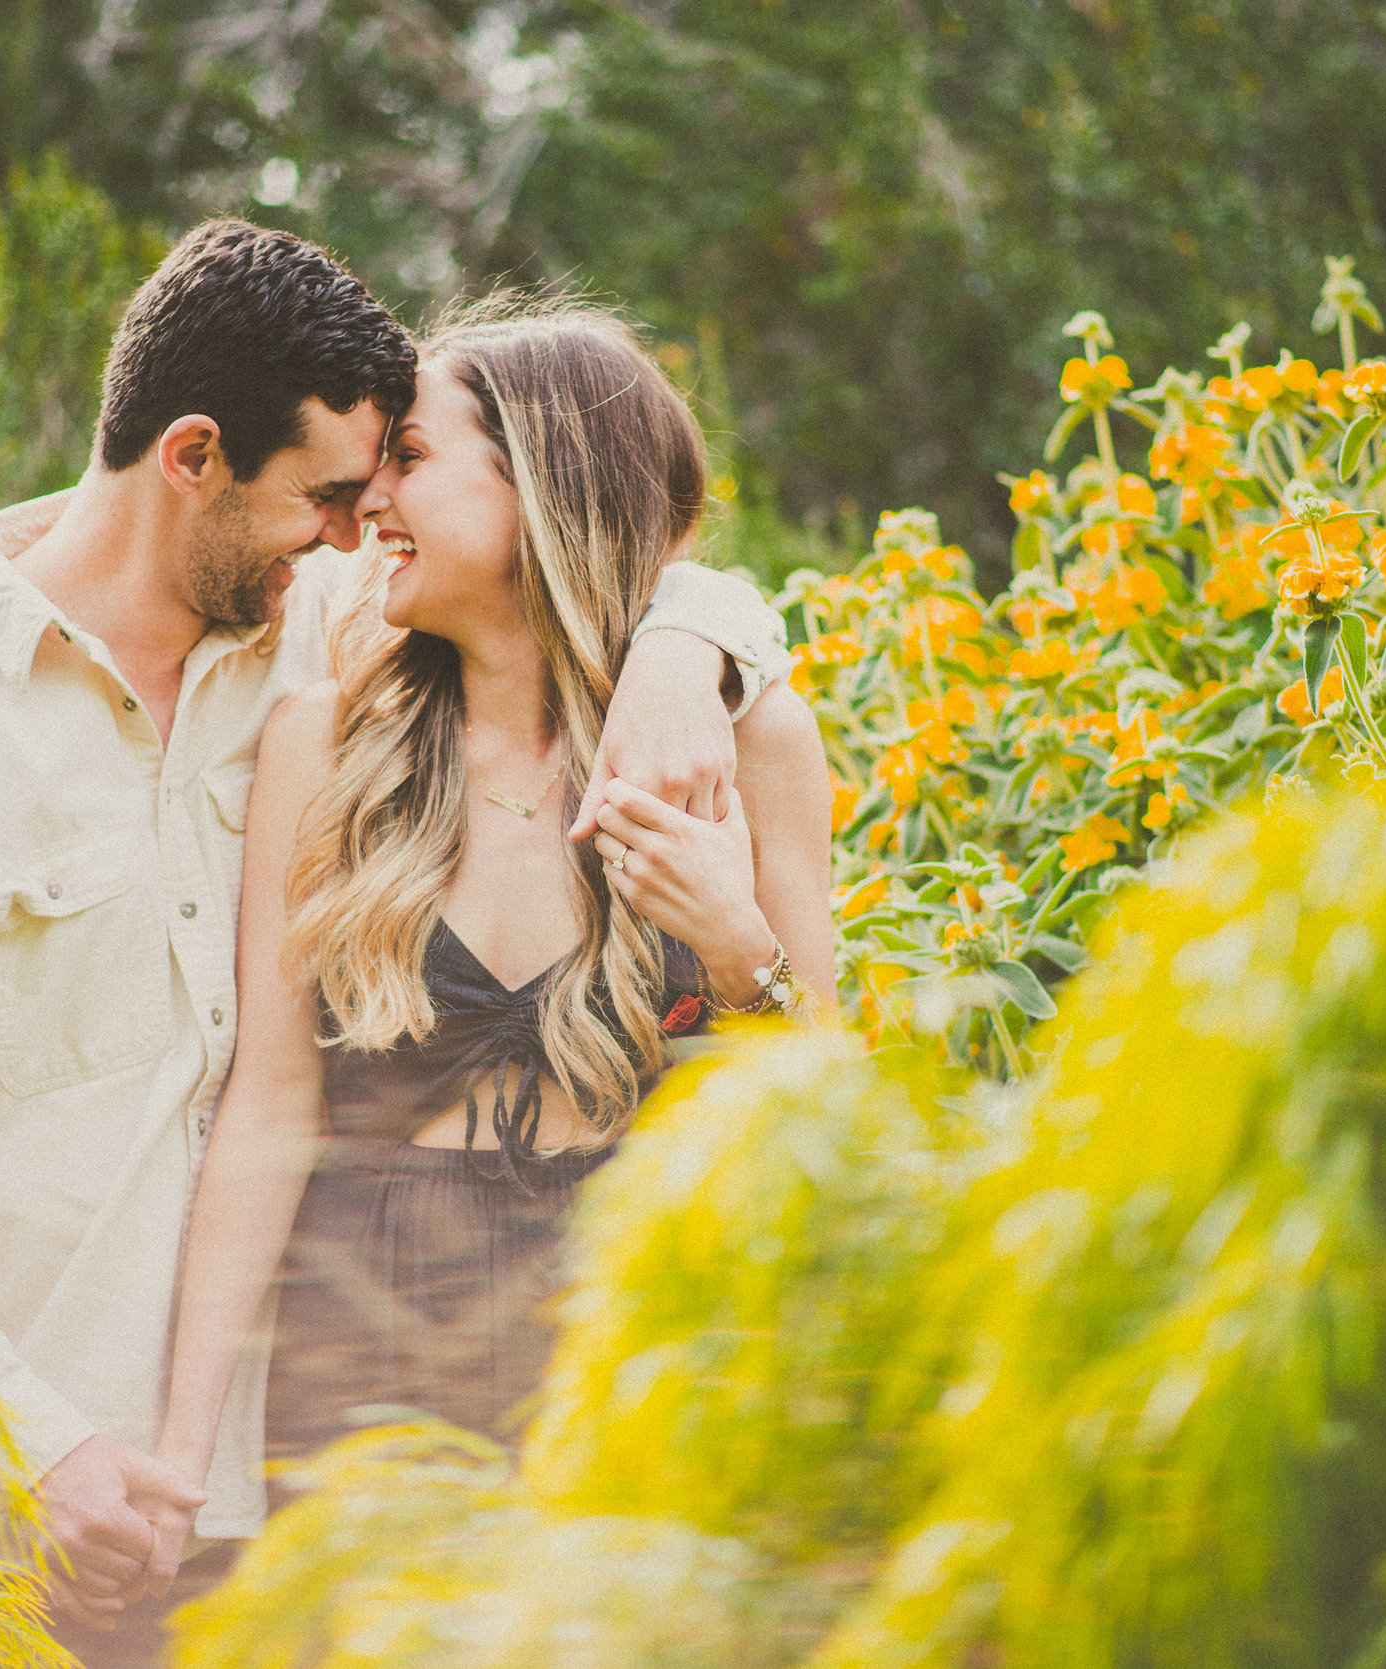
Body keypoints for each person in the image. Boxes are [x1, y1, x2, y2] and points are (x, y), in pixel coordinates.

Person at [0, 227, 792, 1663]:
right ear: (194, 458)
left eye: (383, 490)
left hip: (296, 1465)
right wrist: (35, 1443)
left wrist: (693, 642)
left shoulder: (310, 655)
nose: (360, 534)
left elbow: (615, 537)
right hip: (29, 1501)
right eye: (331, 497)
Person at [152, 301, 835, 1510]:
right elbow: (267, 1106)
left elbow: (824, 1102)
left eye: (409, 461)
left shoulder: (749, 738)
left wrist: (741, 954)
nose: (370, 506)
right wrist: (183, 1455)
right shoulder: (327, 745)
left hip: (638, 1322)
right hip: (363, 1326)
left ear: (546, 482)